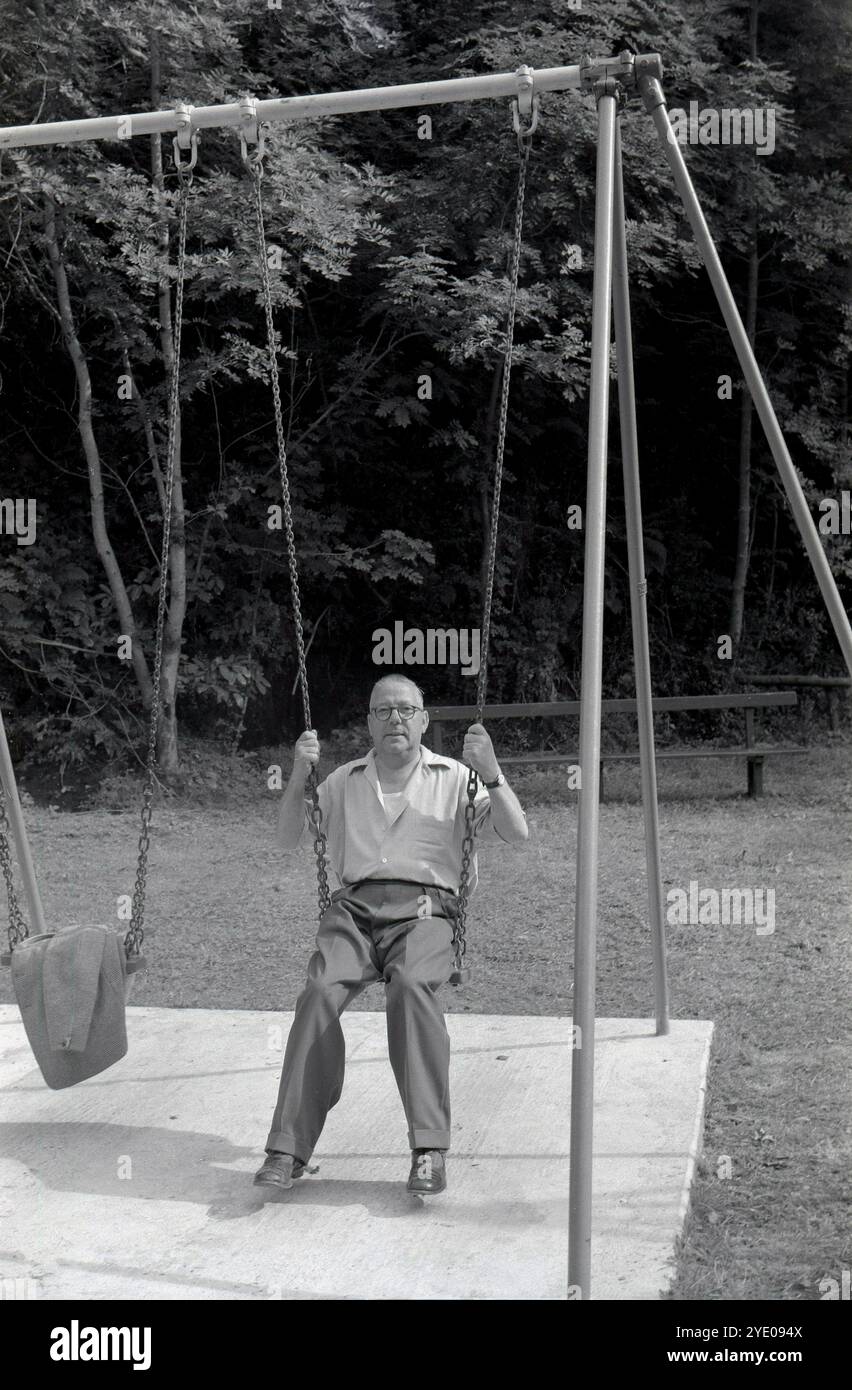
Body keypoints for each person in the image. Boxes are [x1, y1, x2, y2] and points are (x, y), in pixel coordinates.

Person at [254, 672, 529, 1196]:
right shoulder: (342, 781)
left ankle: (428, 1149)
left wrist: (492, 774)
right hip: (354, 911)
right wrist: (297, 774)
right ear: (369, 723)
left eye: (406, 709)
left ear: (424, 720)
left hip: (427, 910)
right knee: (317, 993)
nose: (395, 719)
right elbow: (288, 837)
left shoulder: (455, 778)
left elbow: (517, 833)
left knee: (408, 989)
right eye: (383, 710)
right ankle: (287, 1148)